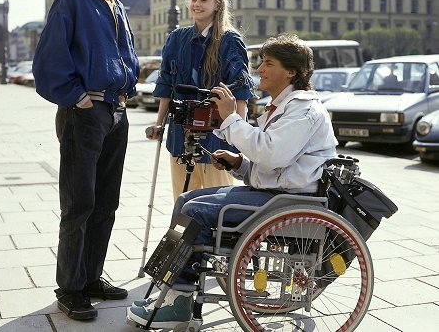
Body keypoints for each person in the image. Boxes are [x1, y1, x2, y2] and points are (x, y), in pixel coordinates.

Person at [128, 33, 338, 328]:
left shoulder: (304, 109)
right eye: (261, 62)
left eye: (268, 63)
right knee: (186, 199)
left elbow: (272, 154)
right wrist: (239, 163)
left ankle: (180, 301)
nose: (259, 69)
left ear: (291, 71)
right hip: (275, 192)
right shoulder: (284, 105)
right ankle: (175, 291)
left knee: (195, 212)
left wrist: (229, 118)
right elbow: (272, 160)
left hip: (287, 201)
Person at [32, 0, 140, 321]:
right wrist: (76, 97)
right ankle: (71, 288)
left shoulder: (119, 8)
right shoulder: (72, 1)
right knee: (79, 204)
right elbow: (49, 59)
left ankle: (91, 276)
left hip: (116, 113)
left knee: (106, 202)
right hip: (86, 113)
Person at [147, 0, 254, 200]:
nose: (196, 4)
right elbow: (166, 84)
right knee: (183, 199)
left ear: (217, 5)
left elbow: (241, 91)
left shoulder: (230, 41)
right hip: (180, 132)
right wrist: (159, 123)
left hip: (217, 134)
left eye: (203, 0)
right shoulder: (177, 38)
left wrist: (241, 135)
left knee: (215, 200)